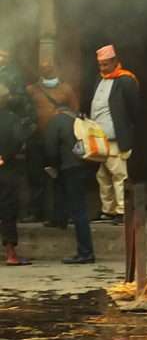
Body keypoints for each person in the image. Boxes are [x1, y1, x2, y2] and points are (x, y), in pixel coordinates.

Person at [87, 44, 139, 224]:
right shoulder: (99, 79)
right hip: (99, 138)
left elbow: (134, 109)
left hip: (116, 137)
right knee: (103, 175)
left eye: (106, 65)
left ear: (116, 62)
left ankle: (123, 210)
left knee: (118, 174)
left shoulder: (126, 80)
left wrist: (128, 131)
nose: (102, 68)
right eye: (100, 65)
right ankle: (107, 210)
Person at [26, 60, 78, 226]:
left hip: (60, 141)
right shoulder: (31, 90)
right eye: (43, 67)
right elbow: (25, 112)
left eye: (49, 66)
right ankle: (36, 212)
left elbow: (74, 112)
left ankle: (62, 214)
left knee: (61, 177)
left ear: (57, 68)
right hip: (37, 139)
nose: (46, 69)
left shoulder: (66, 89)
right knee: (35, 176)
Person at [44, 107, 95, 264]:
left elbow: (50, 149)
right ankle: (59, 218)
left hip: (68, 167)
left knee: (79, 211)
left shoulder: (56, 121)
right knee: (77, 204)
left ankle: (85, 252)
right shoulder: (79, 121)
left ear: (55, 110)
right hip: (83, 166)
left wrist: (52, 165)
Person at [0, 84, 32, 265]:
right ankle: (11, 254)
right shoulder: (12, 119)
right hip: (6, 169)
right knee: (7, 211)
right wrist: (5, 156)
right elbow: (18, 141)